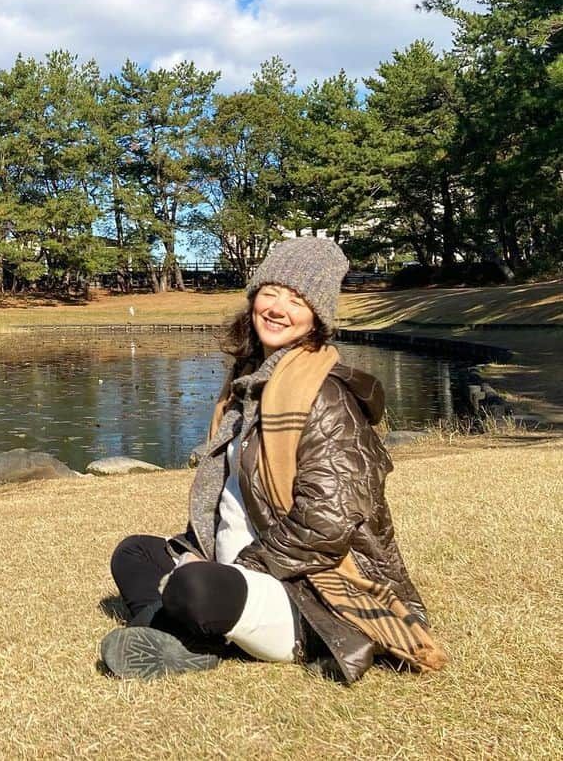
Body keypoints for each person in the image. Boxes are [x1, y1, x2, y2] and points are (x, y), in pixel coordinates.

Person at [100, 236, 446, 684]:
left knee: (194, 587)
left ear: (317, 316)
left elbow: (328, 522)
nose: (279, 307)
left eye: (298, 299)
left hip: (306, 585)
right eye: (271, 292)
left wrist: (238, 568)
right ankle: (187, 635)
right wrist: (200, 554)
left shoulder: (325, 396)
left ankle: (182, 633)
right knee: (134, 553)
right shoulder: (246, 384)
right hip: (243, 566)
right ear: (253, 299)